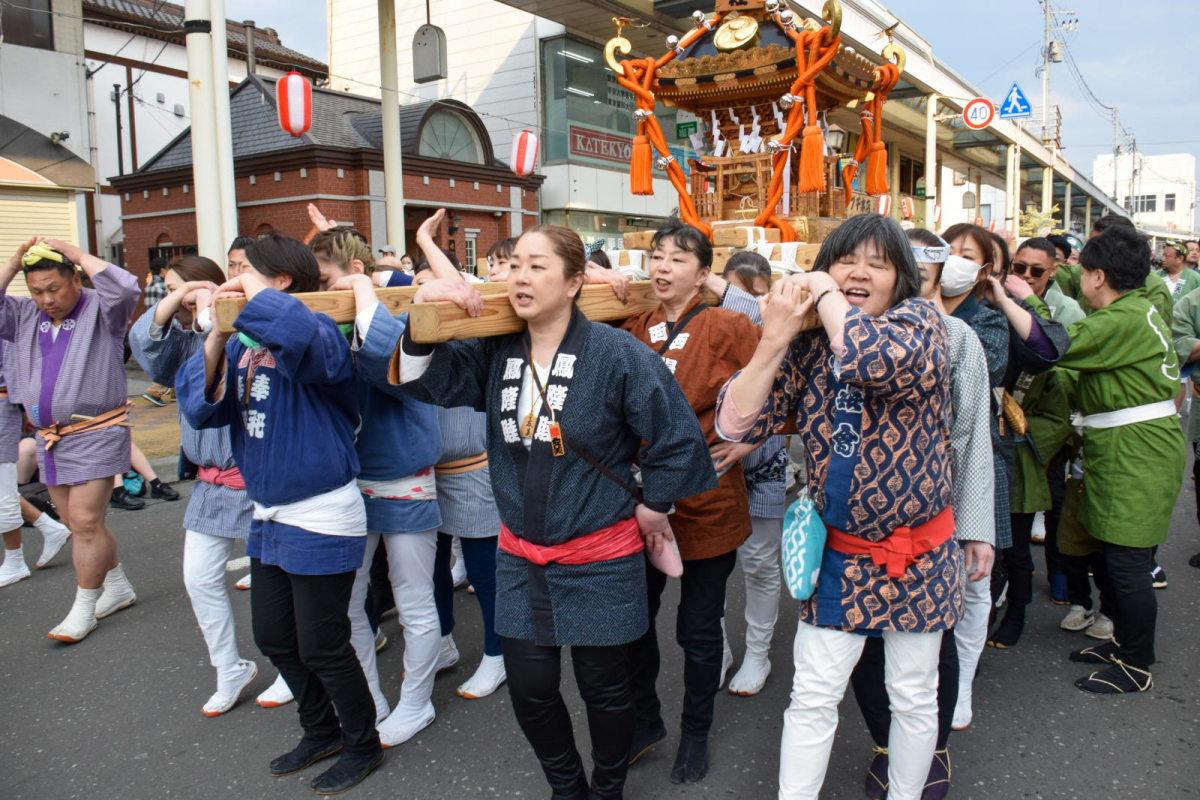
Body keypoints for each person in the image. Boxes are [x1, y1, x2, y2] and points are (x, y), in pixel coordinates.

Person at [392, 223, 715, 800]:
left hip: (600, 555)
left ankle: (607, 788)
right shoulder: (495, 349)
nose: (521, 275)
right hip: (522, 554)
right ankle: (567, 788)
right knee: (531, 687)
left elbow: (675, 437)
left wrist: (655, 506)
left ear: (574, 282)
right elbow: (422, 382)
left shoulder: (617, 354)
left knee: (605, 689)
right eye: (515, 264)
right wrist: (423, 320)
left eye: (538, 265)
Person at [716, 213, 962, 800]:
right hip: (841, 553)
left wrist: (822, 285)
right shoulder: (808, 342)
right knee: (813, 696)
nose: (857, 273)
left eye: (877, 264)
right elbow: (735, 418)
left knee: (912, 693)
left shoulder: (921, 322)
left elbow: (866, 359)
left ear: (901, 278)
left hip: (919, 552)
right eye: (845, 260)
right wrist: (774, 336)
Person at [176, 234, 384, 793]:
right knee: (274, 637)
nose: (230, 280)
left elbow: (294, 333)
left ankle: (364, 743)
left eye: (242, 271)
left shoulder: (321, 328)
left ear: (283, 281)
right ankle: (321, 730)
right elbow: (199, 410)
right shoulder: (244, 341)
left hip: (321, 509)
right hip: (268, 513)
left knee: (323, 643)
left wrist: (249, 295)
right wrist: (216, 334)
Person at [849, 229, 996, 800]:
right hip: (856, 532)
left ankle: (932, 751)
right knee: (860, 641)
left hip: (932, 527)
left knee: (930, 643)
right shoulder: (843, 336)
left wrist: (974, 529)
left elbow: (970, 439)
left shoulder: (957, 338)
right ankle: (887, 744)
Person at [621, 218, 761, 786]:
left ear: (704, 274)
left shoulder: (728, 325)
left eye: (679, 259)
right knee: (632, 620)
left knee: (699, 628)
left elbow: (782, 380)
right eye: (657, 256)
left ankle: (696, 731)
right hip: (638, 495)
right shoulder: (632, 325)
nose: (662, 267)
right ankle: (645, 718)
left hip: (708, 493)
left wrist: (750, 437)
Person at [315, 224, 446, 747]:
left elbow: (396, 363)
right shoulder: (324, 318)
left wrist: (364, 287)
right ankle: (369, 697)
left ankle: (417, 702)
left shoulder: (390, 304)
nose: (319, 289)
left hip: (404, 470)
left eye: (325, 278)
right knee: (348, 602)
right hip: (347, 477)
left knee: (414, 598)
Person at [129, 255, 261, 716]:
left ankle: (296, 666)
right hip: (211, 483)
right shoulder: (183, 346)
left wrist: (216, 308)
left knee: (279, 585)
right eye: (168, 290)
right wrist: (175, 299)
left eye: (180, 287)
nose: (180, 299)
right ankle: (229, 667)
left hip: (262, 479)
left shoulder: (250, 334)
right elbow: (147, 351)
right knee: (199, 579)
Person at [1057, 223, 1185, 694]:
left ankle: (1136, 663)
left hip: (1137, 450)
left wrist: (1014, 301)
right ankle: (1122, 646)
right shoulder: (1138, 308)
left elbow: (1054, 345)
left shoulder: (1119, 319)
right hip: (1133, 445)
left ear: (1097, 276)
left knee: (1129, 563)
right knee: (1112, 557)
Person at [0, 238, 141, 643]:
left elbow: (127, 288)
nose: (46, 299)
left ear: (75, 279)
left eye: (54, 289)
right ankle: (116, 586)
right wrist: (12, 261)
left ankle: (84, 608)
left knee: (82, 521)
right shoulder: (25, 314)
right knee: (82, 524)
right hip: (50, 438)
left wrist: (77, 253)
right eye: (37, 291)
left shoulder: (103, 308)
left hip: (97, 430)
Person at [413, 213, 508, 700]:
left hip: (473, 470)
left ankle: (497, 653)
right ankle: (445, 641)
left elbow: (458, 282)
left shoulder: (479, 316)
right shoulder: (419, 322)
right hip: (428, 471)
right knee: (431, 572)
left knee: (485, 570)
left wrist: (427, 241)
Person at [691, 252, 786, 697]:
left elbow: (791, 401)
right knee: (712, 568)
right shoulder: (703, 324)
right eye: (736, 291)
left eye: (756, 295)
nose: (744, 303)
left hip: (762, 463)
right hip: (712, 464)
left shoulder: (778, 322)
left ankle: (758, 653)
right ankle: (720, 650)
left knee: (761, 565)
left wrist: (719, 285)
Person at [1056, 216, 1174, 326]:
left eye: (1098, 247)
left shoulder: (1154, 288)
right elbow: (1058, 273)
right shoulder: (1087, 269)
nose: (1090, 251)